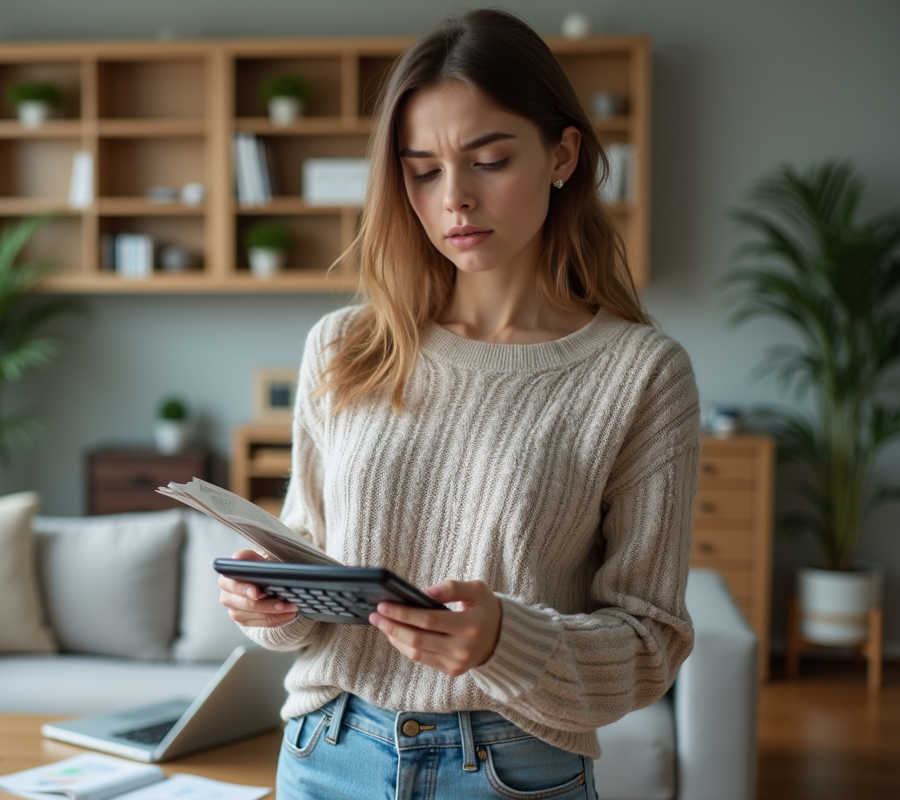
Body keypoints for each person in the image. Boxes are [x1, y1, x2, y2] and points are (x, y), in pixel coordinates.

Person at [218, 8, 699, 800]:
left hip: (515, 766)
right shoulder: (342, 346)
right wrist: (269, 599)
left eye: (489, 160)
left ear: (562, 155)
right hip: (327, 748)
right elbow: (308, 561)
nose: (456, 200)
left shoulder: (640, 374)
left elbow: (651, 643)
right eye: (423, 170)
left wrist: (504, 640)